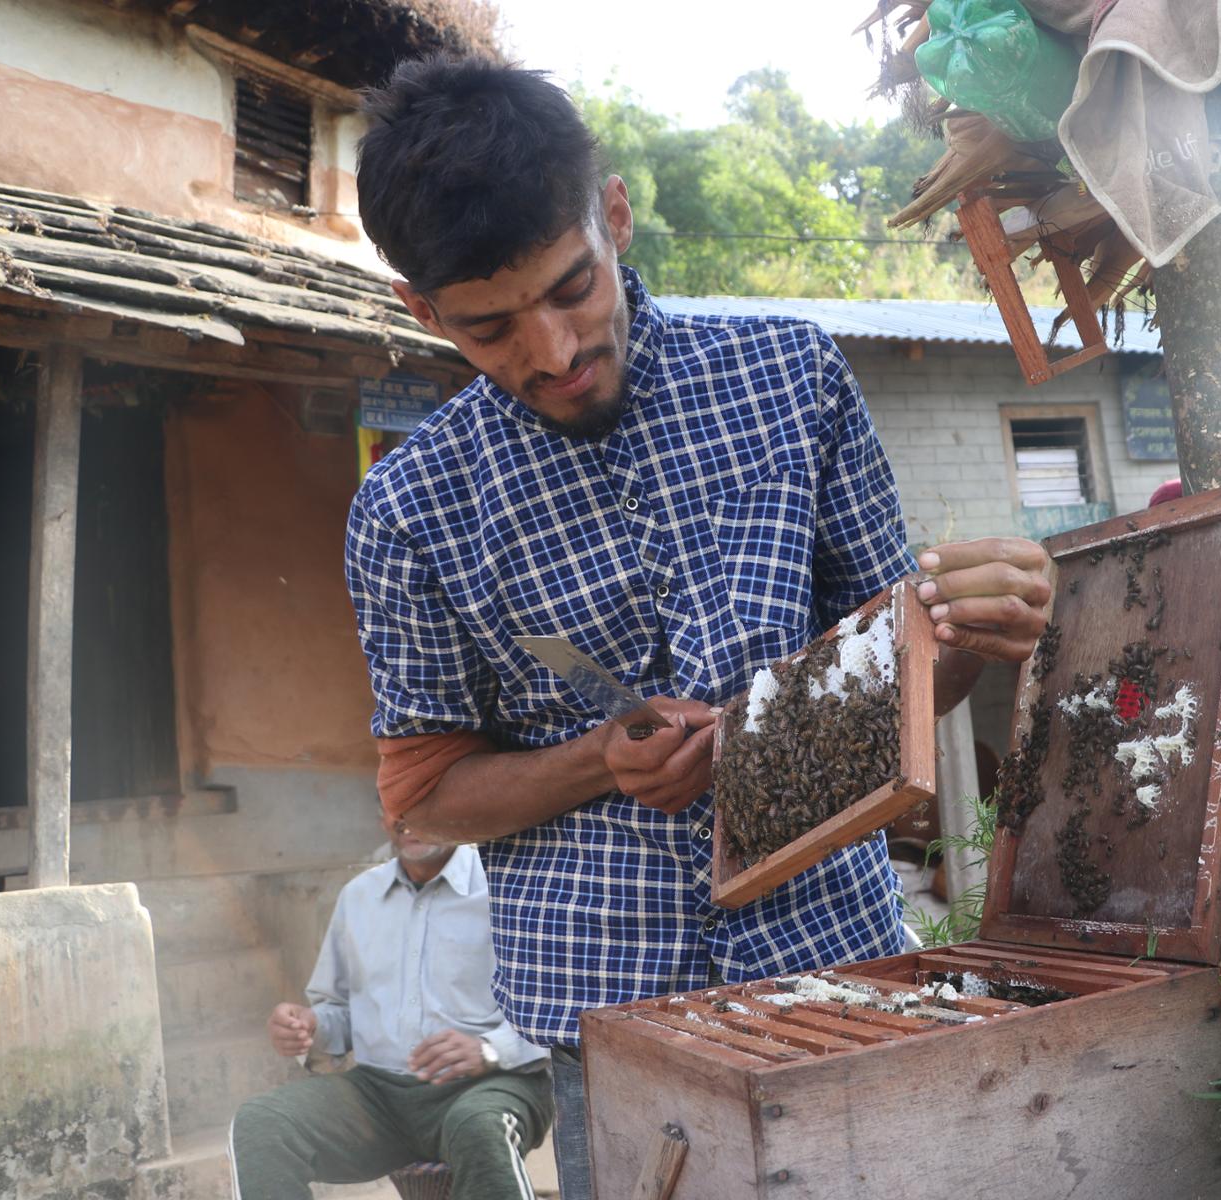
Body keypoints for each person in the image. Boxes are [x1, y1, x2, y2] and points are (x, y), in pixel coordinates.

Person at [342, 56, 1054, 1199]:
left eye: (575, 287)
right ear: (422, 311)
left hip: (840, 963)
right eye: (488, 329)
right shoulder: (408, 510)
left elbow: (918, 677)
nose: (553, 352)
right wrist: (596, 764)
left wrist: (972, 631)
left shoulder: (790, 378)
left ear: (613, 216)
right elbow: (422, 795)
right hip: (610, 1020)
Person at [229, 813, 554, 1199]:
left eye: (425, 799)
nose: (409, 816)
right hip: (378, 1098)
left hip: (492, 1085)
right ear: (382, 814)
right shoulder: (359, 896)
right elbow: (341, 1013)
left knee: (479, 1126)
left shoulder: (507, 888)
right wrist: (310, 1025)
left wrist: (488, 1049)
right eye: (395, 803)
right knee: (261, 1123)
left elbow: (555, 1013)